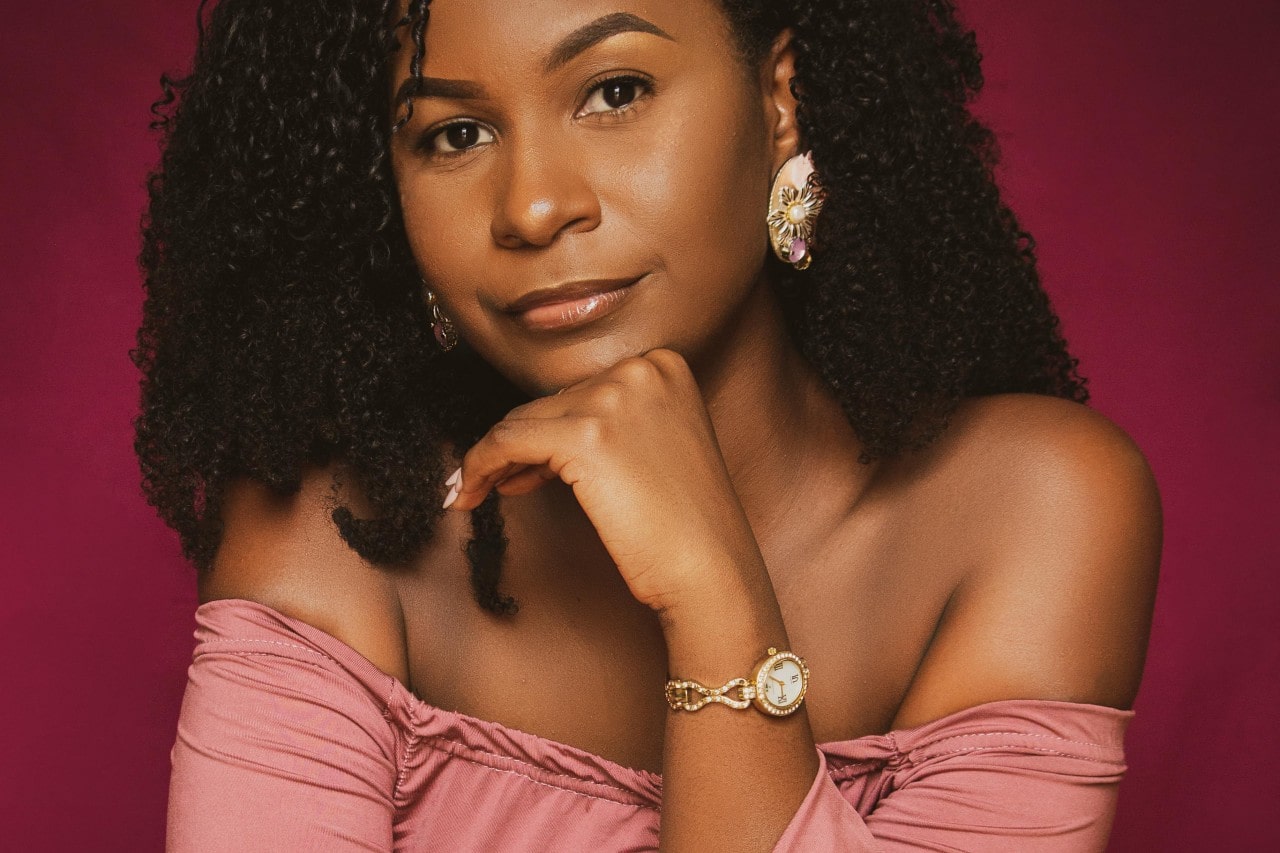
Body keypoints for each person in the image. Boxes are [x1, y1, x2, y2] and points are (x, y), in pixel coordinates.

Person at [136, 0, 1162, 849]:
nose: (533, 206)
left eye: (614, 92)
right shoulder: (330, 536)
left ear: (779, 102)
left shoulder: (1027, 510)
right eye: (455, 134)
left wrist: (713, 598)